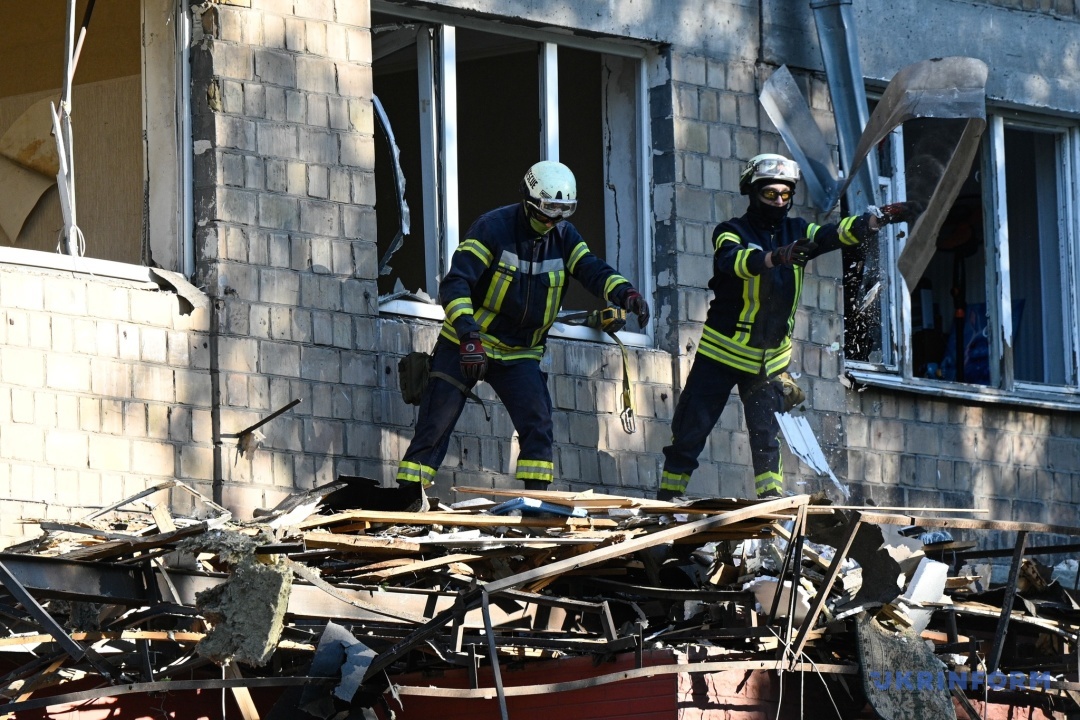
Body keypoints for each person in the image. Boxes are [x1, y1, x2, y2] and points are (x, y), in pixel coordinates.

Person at [657, 153, 919, 501]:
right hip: (721, 354)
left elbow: (831, 234)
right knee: (691, 430)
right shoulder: (731, 232)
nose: (779, 201)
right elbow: (732, 262)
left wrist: (874, 220)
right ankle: (663, 503)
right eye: (770, 195)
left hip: (769, 362)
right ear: (752, 192)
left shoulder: (798, 230)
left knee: (767, 438)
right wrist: (774, 257)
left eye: (785, 195)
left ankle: (770, 508)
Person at [396, 160, 649, 508]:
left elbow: (592, 269)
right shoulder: (492, 228)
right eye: (546, 214)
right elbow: (455, 286)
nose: (552, 223)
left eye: (561, 215)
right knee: (434, 426)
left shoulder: (564, 236)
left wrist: (627, 293)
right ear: (529, 202)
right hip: (467, 345)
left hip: (520, 354)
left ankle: (534, 509)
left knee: (538, 426)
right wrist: (469, 336)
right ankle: (406, 505)